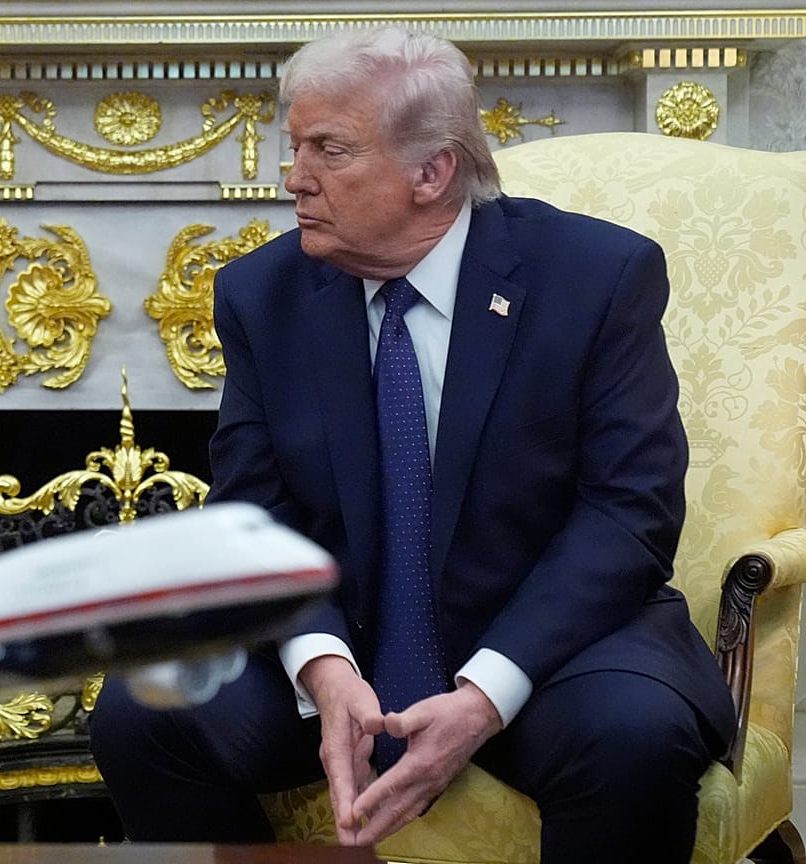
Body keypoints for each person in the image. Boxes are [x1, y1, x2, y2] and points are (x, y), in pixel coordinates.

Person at [89, 27, 734, 864]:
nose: (294, 177)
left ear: (432, 173)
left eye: (329, 150)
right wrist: (323, 665)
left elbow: (628, 512)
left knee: (632, 736)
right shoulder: (263, 293)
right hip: (342, 635)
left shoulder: (595, 277)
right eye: (296, 146)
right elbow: (256, 511)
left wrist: (485, 693)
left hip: (545, 642)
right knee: (144, 713)